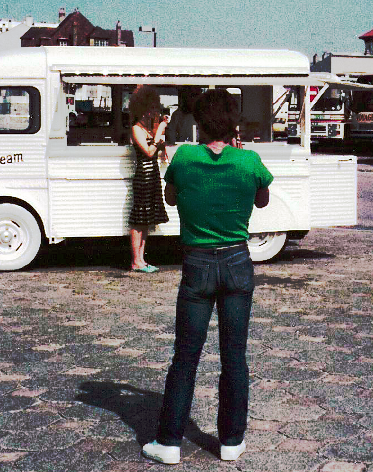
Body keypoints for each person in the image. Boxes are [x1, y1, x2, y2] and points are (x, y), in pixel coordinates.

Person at [142, 89, 273, 464]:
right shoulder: (248, 160)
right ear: (234, 124)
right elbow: (262, 200)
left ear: (198, 124)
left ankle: (169, 443)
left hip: (196, 264)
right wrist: (239, 153)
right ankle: (231, 441)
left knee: (185, 356)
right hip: (236, 262)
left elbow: (169, 198)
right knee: (234, 355)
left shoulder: (185, 157)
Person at [128, 85, 169, 273]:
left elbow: (158, 151)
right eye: (151, 109)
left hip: (152, 175)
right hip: (143, 176)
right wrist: (160, 131)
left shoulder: (147, 130)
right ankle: (136, 260)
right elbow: (148, 152)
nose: (154, 112)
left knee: (146, 219)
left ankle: (141, 260)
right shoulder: (136, 129)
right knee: (139, 219)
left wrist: (161, 141)